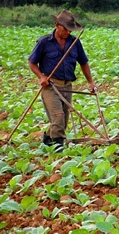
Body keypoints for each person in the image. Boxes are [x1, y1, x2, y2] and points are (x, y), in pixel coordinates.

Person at [28, 10, 97, 152]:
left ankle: (48, 137)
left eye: (70, 30)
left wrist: (90, 82)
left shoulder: (75, 43)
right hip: (51, 86)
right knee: (58, 117)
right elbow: (32, 62)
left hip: (67, 87)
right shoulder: (44, 42)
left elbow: (83, 63)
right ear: (57, 25)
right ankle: (59, 151)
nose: (68, 32)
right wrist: (41, 77)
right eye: (65, 29)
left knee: (63, 121)